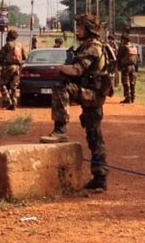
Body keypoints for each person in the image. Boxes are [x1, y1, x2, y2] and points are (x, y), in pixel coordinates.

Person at [41, 13, 110, 192]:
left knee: (60, 86)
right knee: (94, 135)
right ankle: (100, 177)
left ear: (89, 29)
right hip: (90, 93)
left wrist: (61, 68)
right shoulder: (85, 46)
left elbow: (78, 70)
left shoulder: (93, 47)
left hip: (92, 94)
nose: (78, 30)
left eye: (80, 27)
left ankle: (61, 129)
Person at [0, 28, 25, 110]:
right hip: (18, 68)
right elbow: (24, 57)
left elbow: (0, 57)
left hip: (9, 68)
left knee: (1, 83)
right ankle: (14, 103)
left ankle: (7, 99)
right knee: (14, 86)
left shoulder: (7, 45)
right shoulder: (20, 45)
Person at [117, 32, 139, 104]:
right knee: (132, 82)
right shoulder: (133, 46)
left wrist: (118, 66)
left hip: (125, 67)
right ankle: (133, 97)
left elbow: (119, 57)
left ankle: (128, 98)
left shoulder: (123, 47)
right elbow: (137, 57)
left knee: (125, 82)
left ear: (123, 39)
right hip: (132, 66)